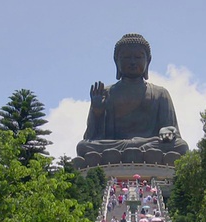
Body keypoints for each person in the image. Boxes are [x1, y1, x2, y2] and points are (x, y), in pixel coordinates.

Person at [75, 33, 189, 161]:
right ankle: (136, 152)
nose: (133, 62)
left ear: (148, 60)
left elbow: (173, 133)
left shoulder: (160, 93)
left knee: (181, 146)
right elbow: (91, 138)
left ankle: (135, 152)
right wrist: (97, 112)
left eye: (138, 57)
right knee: (83, 147)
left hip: (150, 145)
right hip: (116, 147)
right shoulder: (106, 93)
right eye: (127, 57)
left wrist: (167, 132)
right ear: (116, 61)